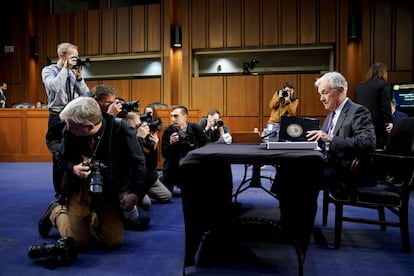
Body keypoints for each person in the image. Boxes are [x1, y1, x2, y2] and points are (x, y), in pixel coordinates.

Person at [37, 97, 148, 250]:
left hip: (109, 193)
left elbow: (139, 164)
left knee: (113, 241)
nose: (69, 129)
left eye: (73, 127)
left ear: (89, 127)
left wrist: (134, 193)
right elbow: (60, 159)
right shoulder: (70, 127)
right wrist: (73, 168)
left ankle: (89, 218)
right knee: (77, 243)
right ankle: (57, 212)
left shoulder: (121, 130)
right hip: (79, 189)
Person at [306, 71, 376, 188]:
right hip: (328, 163)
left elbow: (368, 142)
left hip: (345, 169)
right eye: (320, 94)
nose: (321, 99)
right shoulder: (331, 114)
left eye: (325, 93)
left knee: (300, 173)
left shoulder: (358, 111)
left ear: (341, 90)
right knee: (292, 166)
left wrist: (330, 139)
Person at [42, 42, 90, 198]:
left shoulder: (72, 72)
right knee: (59, 156)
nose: (75, 60)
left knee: (75, 154)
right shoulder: (49, 70)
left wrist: (80, 78)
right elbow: (54, 86)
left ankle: (73, 190)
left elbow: (86, 95)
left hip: (73, 117)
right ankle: (59, 194)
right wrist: (65, 69)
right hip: (57, 117)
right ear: (62, 56)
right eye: (72, 57)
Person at [126, 112, 171, 209]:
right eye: (137, 126)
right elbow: (136, 164)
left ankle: (144, 192)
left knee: (167, 196)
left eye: (140, 124)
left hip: (147, 176)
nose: (141, 128)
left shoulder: (141, 137)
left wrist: (154, 147)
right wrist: (138, 138)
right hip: (134, 178)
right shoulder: (128, 140)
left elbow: (151, 165)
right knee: (146, 204)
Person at [161, 105, 208, 192]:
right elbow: (164, 154)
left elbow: (207, 144)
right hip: (173, 167)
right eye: (171, 116)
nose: (172, 119)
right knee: (166, 195)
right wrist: (171, 144)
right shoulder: (168, 131)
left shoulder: (195, 128)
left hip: (193, 165)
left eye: (176, 116)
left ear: (185, 117)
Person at [355, 62, 393, 149]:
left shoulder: (360, 87)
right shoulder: (383, 85)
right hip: (377, 126)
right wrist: (389, 122)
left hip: (360, 125)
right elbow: (385, 106)